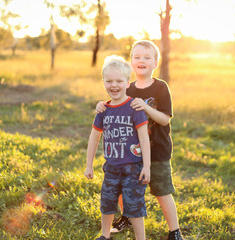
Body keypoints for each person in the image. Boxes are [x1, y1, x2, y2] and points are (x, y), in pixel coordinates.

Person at [96, 40, 184, 240]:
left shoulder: (161, 88)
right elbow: (115, 104)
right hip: (131, 153)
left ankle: (174, 231)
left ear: (155, 63)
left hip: (158, 151)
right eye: (136, 57)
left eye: (147, 57)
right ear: (131, 62)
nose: (141, 60)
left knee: (162, 191)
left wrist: (145, 107)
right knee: (121, 186)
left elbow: (164, 119)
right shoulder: (128, 87)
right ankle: (127, 217)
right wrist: (102, 105)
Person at [84, 55, 151, 240]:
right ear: (103, 82)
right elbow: (94, 137)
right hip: (111, 168)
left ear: (127, 82)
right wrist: (89, 165)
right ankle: (105, 236)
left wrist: (147, 166)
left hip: (133, 168)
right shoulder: (103, 110)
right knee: (107, 202)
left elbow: (144, 139)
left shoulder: (134, 107)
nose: (114, 85)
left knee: (134, 205)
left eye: (119, 81)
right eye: (109, 81)